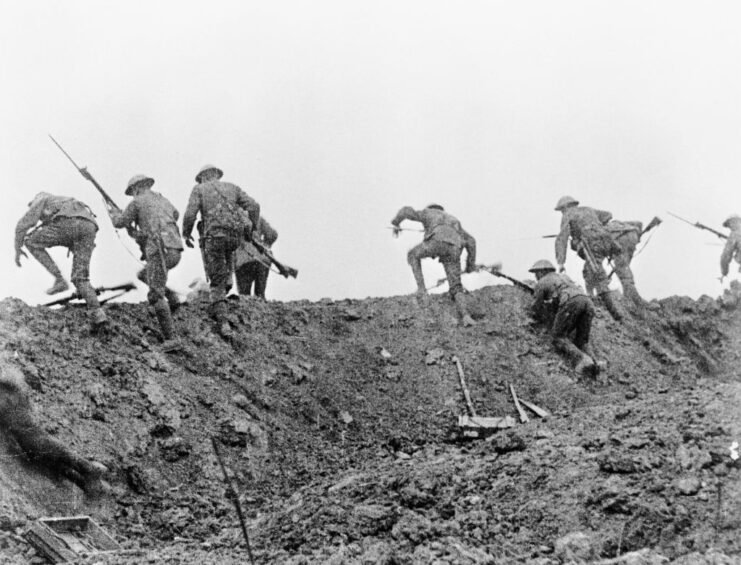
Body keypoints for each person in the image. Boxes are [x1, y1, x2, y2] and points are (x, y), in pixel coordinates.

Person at [0, 365, 105, 496]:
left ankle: (87, 468)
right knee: (33, 451)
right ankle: (83, 481)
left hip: (7, 396)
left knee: (34, 440)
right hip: (9, 394)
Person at [182, 164, 260, 338]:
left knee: (216, 278)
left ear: (202, 177)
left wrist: (186, 234)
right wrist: (252, 230)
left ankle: (222, 321)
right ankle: (223, 295)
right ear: (217, 175)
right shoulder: (232, 187)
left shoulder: (199, 189)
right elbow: (254, 206)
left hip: (214, 237)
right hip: (234, 237)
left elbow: (190, 214)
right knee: (227, 262)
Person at [110, 175, 183, 352]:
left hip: (159, 251)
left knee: (155, 295)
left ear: (136, 189)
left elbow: (119, 222)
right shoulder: (162, 199)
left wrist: (114, 213)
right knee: (144, 275)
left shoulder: (137, 202)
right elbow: (176, 214)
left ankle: (171, 339)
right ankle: (172, 298)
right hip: (174, 250)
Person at [14, 192, 108, 331]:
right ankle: (97, 312)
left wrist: (17, 247)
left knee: (32, 242)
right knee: (80, 277)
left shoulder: (41, 199)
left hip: (69, 224)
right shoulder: (65, 202)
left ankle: (59, 280)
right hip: (89, 227)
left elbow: (26, 222)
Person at [390, 203, 477, 327]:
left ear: (431, 208)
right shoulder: (454, 220)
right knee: (456, 287)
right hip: (455, 248)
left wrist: (396, 223)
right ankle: (466, 316)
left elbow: (406, 211)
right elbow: (471, 242)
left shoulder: (428, 212)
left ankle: (421, 290)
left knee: (413, 254)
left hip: (437, 241)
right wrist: (470, 265)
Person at [554, 196, 623, 321]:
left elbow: (562, 238)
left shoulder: (567, 215)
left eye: (561, 210)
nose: (562, 213)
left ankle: (615, 314)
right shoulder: (588, 209)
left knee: (597, 275)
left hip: (592, 244)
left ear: (565, 207)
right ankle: (593, 297)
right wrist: (595, 225)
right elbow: (608, 215)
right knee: (588, 271)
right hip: (608, 241)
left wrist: (561, 262)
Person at [529, 259, 599, 377]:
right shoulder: (564, 277)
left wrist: (537, 317)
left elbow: (536, 306)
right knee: (582, 341)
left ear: (542, 272)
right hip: (587, 302)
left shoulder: (542, 282)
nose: (536, 277)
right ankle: (596, 365)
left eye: (536, 273)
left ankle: (583, 360)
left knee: (558, 337)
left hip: (572, 302)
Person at [234, 217, 278, 299]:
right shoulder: (258, 218)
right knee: (260, 296)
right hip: (262, 260)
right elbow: (273, 234)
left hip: (242, 262)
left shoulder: (233, 219)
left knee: (244, 297)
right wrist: (264, 245)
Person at [720, 214, 741, 282]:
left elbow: (725, 256)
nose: (730, 227)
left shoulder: (734, 234)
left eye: (729, 225)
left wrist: (724, 272)